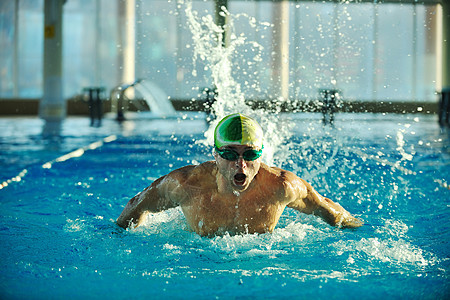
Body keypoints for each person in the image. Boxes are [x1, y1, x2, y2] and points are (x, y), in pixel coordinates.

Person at [117, 113, 363, 236]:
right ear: (215, 154)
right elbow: (136, 206)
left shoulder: (282, 187)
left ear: (261, 155)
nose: (241, 164)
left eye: (250, 154)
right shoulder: (186, 185)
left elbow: (325, 208)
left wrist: (360, 229)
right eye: (230, 154)